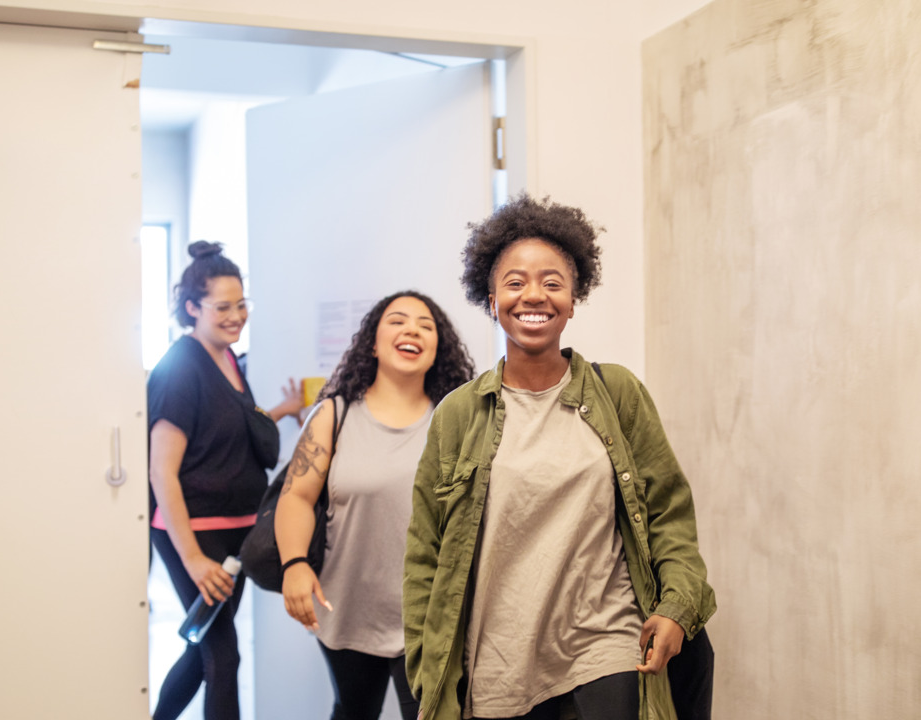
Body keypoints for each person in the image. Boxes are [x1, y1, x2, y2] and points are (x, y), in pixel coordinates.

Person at [403, 195, 717, 720]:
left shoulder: (618, 394)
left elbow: (669, 515)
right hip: (499, 664)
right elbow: (424, 555)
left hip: (606, 646)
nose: (534, 296)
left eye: (553, 283)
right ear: (491, 296)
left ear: (573, 300)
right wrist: (425, 666)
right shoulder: (459, 415)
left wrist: (676, 608)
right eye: (515, 282)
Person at [276, 290, 475, 720]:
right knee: (352, 712)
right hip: (346, 608)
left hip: (429, 616)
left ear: (437, 348)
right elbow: (296, 495)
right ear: (372, 341)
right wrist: (294, 563)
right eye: (398, 321)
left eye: (426, 326)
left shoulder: (455, 420)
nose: (412, 330)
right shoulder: (334, 414)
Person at [148, 241, 305, 720]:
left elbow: (234, 425)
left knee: (203, 652)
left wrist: (282, 412)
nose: (236, 316)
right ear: (192, 307)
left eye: (241, 305)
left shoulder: (228, 359)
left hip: (238, 530)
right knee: (223, 654)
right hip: (195, 535)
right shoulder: (180, 367)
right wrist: (193, 558)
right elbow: (162, 470)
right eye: (223, 307)